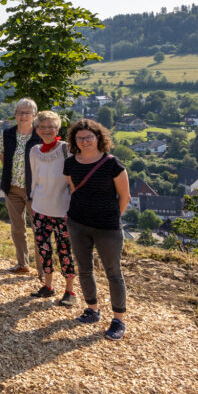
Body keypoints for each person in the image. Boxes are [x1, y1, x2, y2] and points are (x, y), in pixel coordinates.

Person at [64, 119, 131, 341]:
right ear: (74, 140)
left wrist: (112, 217)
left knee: (113, 272)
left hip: (107, 227)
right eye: (80, 138)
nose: (85, 141)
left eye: (89, 137)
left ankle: (118, 319)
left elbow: (125, 196)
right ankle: (92, 309)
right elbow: (74, 190)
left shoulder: (113, 163)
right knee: (84, 268)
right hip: (77, 222)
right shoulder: (70, 163)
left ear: (99, 138)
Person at [28, 111, 77, 306]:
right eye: (42, 127)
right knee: (43, 250)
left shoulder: (67, 150)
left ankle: (70, 291)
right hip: (40, 208)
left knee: (65, 251)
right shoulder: (34, 151)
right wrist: (32, 201)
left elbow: (73, 179)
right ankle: (48, 286)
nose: (47, 130)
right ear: (37, 129)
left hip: (63, 210)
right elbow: (34, 177)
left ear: (58, 129)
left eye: (51, 127)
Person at [1, 98, 43, 276]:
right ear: (15, 114)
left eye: (27, 112)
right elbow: (4, 157)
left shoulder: (40, 136)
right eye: (19, 112)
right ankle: (22, 264)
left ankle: (43, 270)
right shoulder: (8, 134)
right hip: (13, 188)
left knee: (39, 230)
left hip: (36, 190)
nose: (23, 116)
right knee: (17, 228)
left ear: (34, 115)